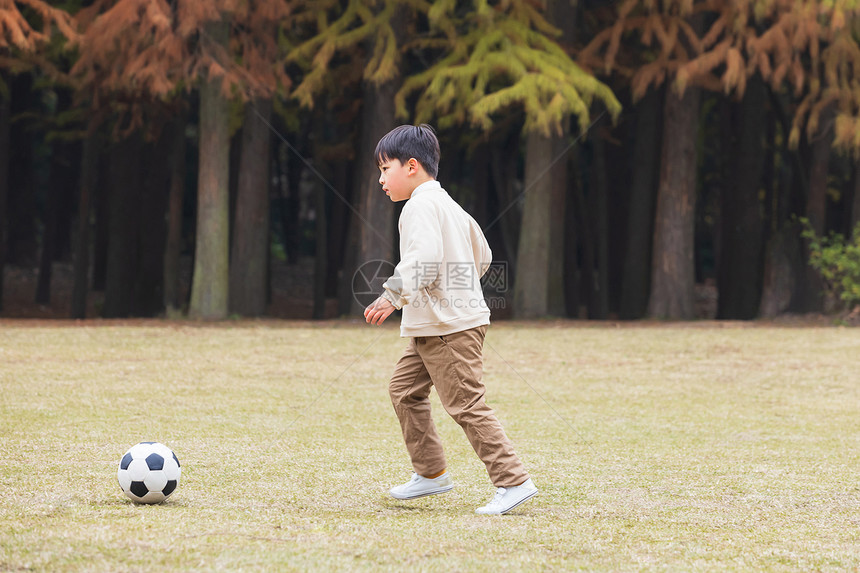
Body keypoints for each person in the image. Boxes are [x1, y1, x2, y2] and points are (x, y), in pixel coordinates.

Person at [363, 124, 537, 515]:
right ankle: (431, 473)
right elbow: (485, 256)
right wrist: (457, 288)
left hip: (448, 328)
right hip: (434, 327)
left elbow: (422, 259)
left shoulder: (419, 206)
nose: (380, 179)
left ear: (411, 167)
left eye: (384, 169)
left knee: (466, 405)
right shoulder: (451, 205)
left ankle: (513, 482)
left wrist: (393, 295)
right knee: (404, 390)